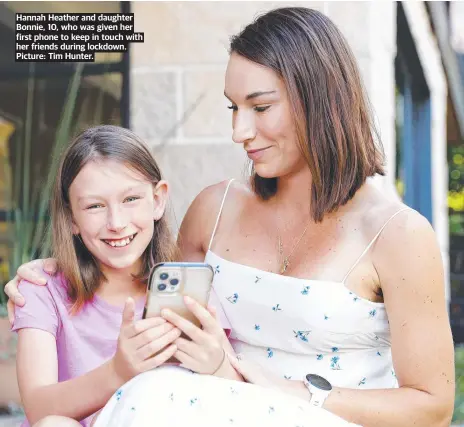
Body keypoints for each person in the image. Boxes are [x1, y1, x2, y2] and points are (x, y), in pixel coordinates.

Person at [5, 7, 455, 427]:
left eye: (259, 108)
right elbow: (151, 286)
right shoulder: (214, 210)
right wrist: (60, 267)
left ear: (320, 100)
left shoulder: (397, 234)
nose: (239, 132)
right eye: (233, 108)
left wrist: (295, 393)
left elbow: (432, 404)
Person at [8, 125, 241, 427]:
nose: (116, 223)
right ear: (71, 219)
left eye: (130, 199)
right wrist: (118, 372)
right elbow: (39, 409)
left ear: (158, 200)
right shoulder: (43, 287)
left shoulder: (189, 288)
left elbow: (240, 394)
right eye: (94, 206)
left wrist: (218, 366)